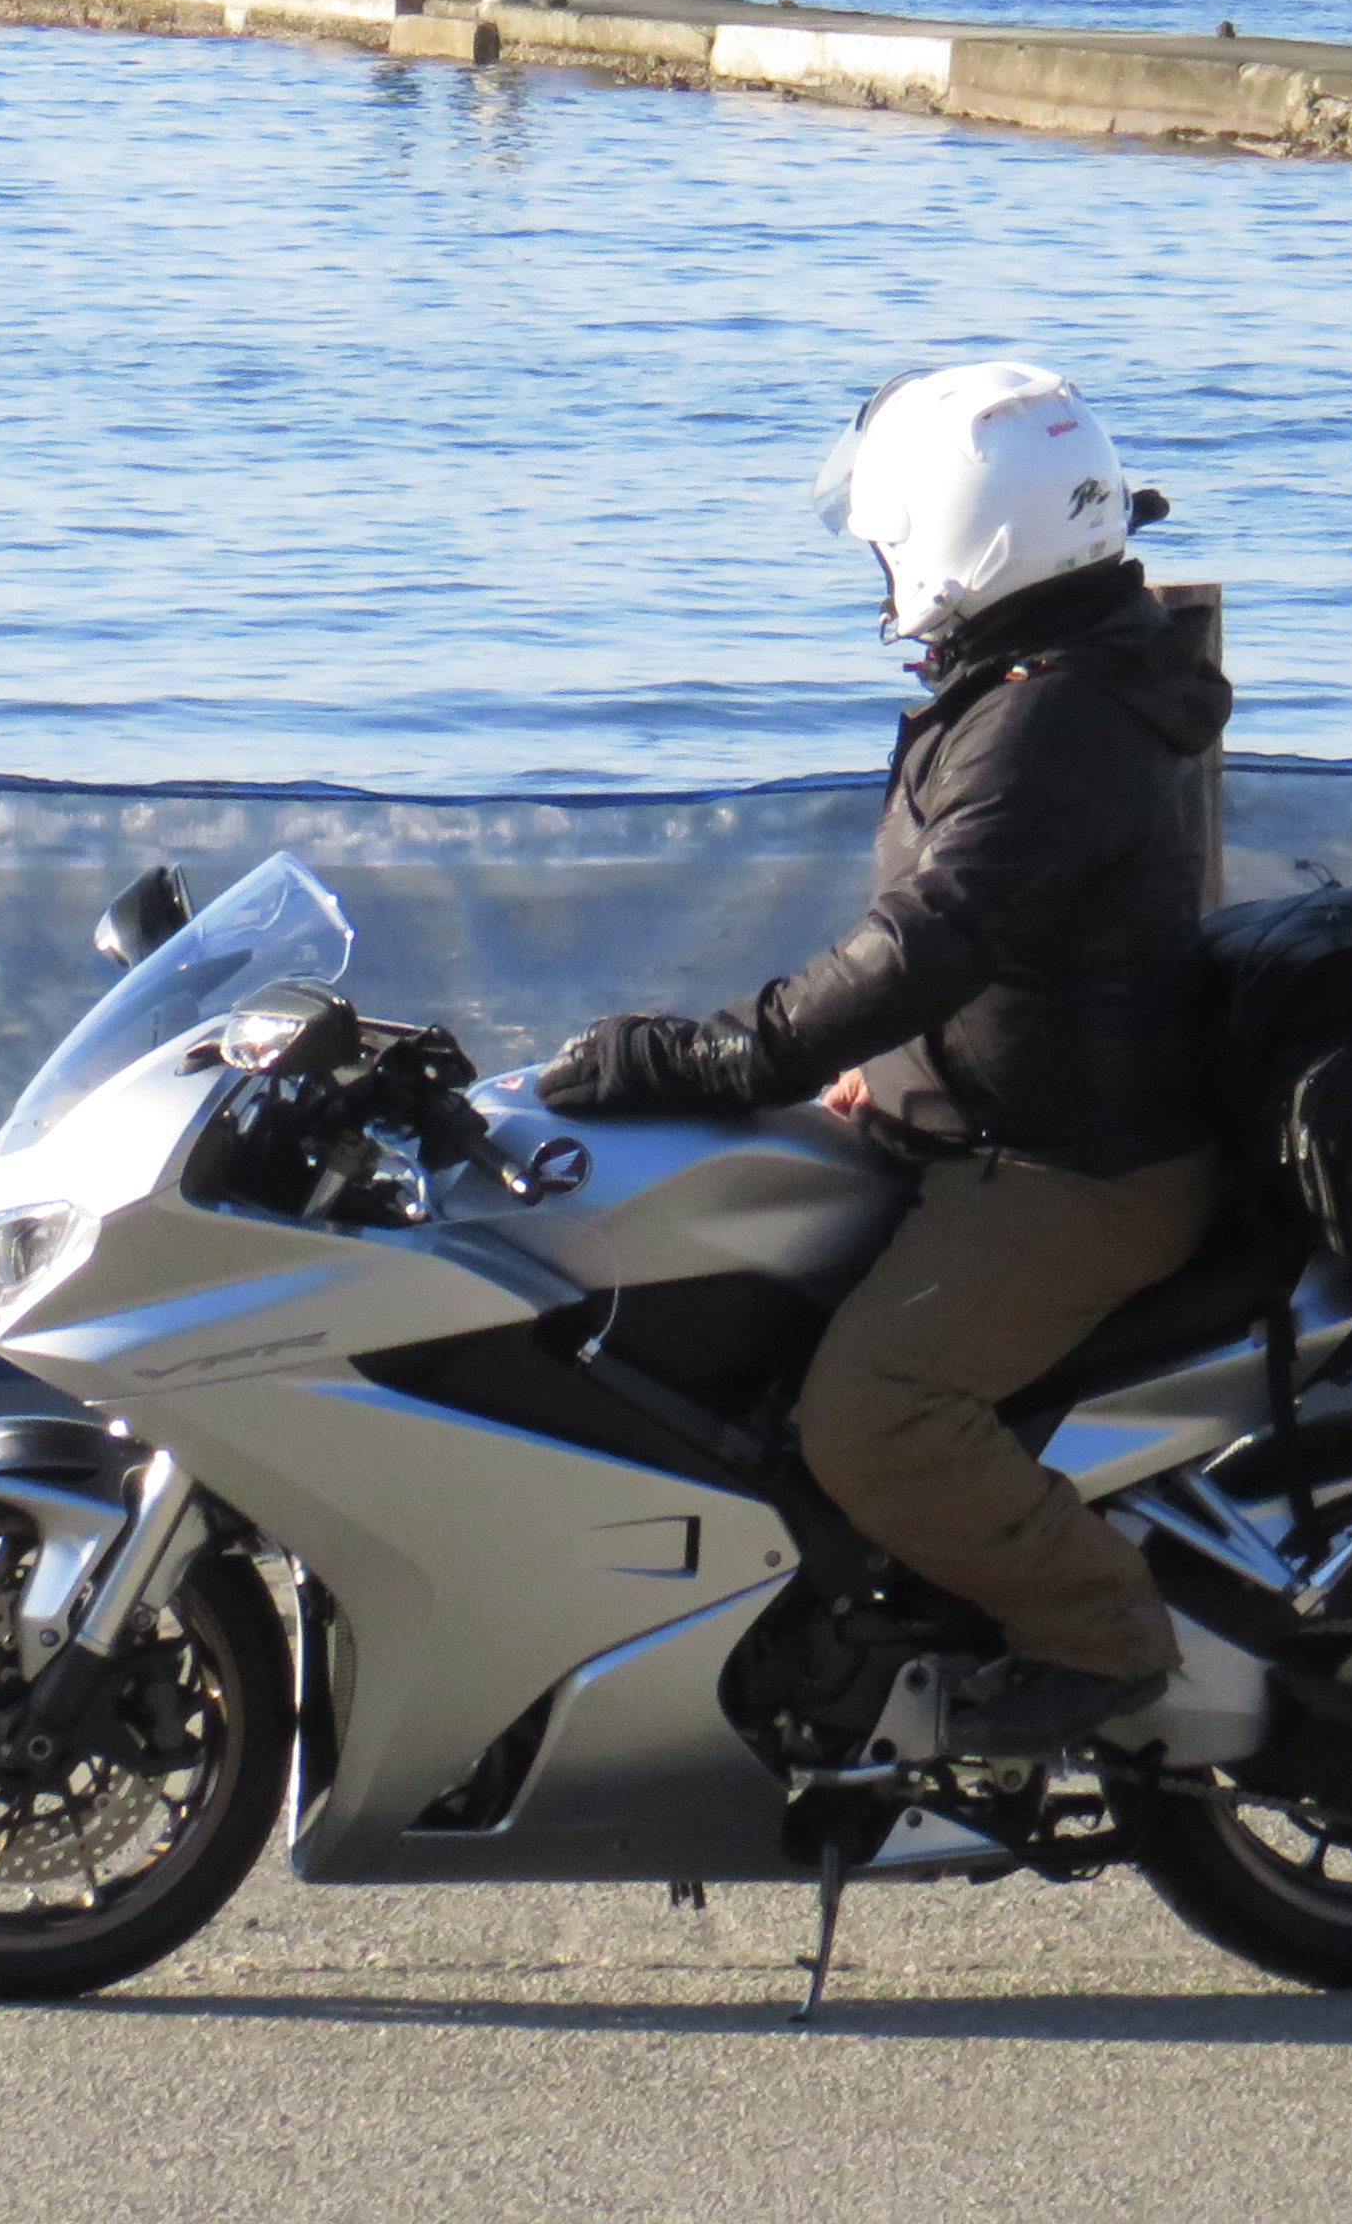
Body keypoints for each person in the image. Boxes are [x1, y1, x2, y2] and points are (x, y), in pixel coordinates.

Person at [537, 362, 1231, 1764]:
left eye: (886, 532)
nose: (873, 558)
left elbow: (938, 932)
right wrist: (892, 1065)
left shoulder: (1052, 717)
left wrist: (727, 1056)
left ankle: (1103, 1637)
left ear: (960, 535)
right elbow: (1001, 948)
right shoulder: (1043, 676)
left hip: (1069, 1169)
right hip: (1001, 1114)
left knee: (872, 1416)